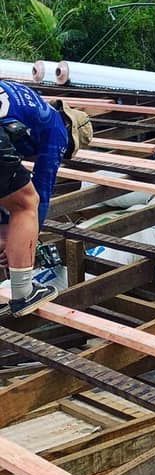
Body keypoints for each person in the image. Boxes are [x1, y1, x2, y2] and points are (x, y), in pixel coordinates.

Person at [0, 82, 92, 316]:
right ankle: (23, 293)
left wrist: (7, 233)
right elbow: (41, 192)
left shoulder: (32, 107)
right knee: (27, 203)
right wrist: (28, 241)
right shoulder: (58, 131)